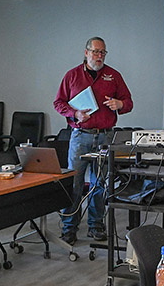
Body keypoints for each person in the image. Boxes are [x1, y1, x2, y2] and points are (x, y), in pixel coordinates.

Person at [53, 36, 133, 245]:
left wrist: (119, 104)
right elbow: (58, 102)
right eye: (96, 52)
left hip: (105, 136)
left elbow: (128, 102)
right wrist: (74, 113)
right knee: (74, 183)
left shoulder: (113, 76)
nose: (99, 56)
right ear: (86, 52)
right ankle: (69, 228)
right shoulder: (72, 76)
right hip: (80, 136)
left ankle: (96, 226)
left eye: (103, 53)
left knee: (100, 183)